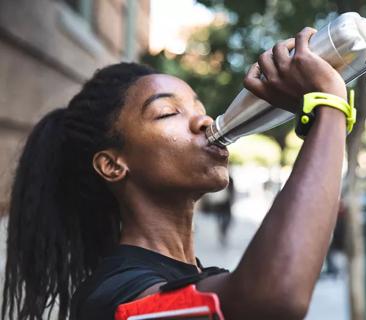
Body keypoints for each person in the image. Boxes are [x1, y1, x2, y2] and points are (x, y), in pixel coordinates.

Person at [1, 27, 348, 320]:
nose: (205, 121)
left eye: (199, 107)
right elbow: (274, 295)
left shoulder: (201, 276)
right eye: (168, 112)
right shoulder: (112, 294)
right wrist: (329, 107)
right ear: (112, 164)